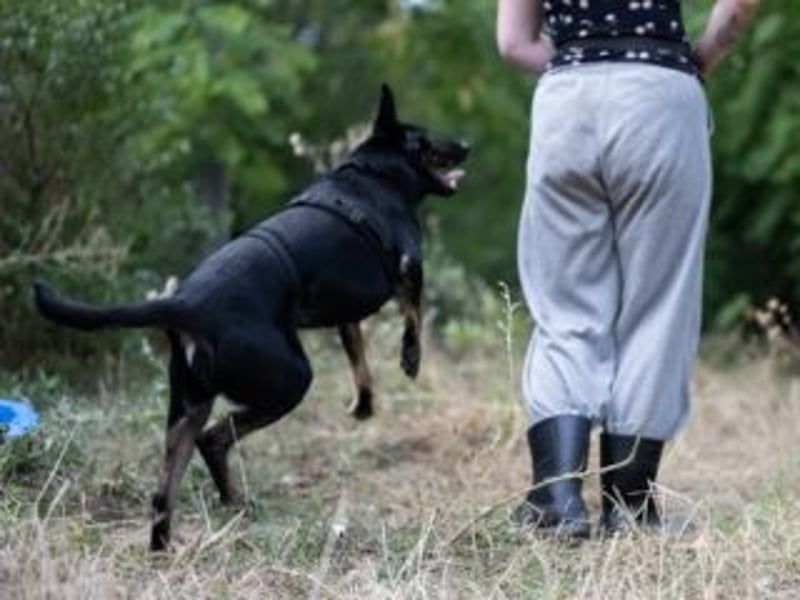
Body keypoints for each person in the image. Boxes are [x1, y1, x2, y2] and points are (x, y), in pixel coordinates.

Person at [496, 0, 761, 538]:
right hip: (659, 94)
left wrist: (584, 61)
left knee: (564, 308)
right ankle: (631, 507)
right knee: (657, 307)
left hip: (566, 99)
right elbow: (736, 9)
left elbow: (513, 43)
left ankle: (557, 498)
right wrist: (702, 55)